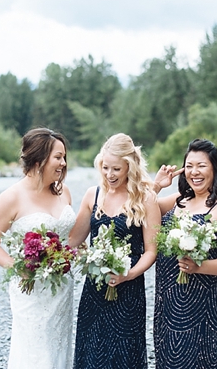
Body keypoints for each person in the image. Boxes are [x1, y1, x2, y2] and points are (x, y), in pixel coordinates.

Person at [0, 128, 75, 369]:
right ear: (39, 159)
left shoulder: (64, 192)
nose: (63, 163)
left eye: (64, 157)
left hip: (62, 286)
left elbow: (70, 238)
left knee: (59, 348)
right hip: (31, 290)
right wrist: (20, 268)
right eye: (58, 157)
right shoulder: (11, 197)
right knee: (35, 352)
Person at [153, 138, 217, 369]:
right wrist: (157, 186)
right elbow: (142, 209)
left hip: (200, 300)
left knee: (195, 359)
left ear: (215, 168)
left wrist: (199, 267)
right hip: (167, 297)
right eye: (190, 166)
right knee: (166, 358)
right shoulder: (179, 201)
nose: (195, 172)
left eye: (202, 166)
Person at [69, 133, 160, 369]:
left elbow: (151, 251)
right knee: (91, 351)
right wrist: (89, 259)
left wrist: (127, 274)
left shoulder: (146, 198)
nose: (110, 174)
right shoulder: (93, 194)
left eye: (116, 169)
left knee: (124, 354)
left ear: (130, 166)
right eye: (105, 167)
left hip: (129, 290)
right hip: (95, 288)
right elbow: (74, 240)